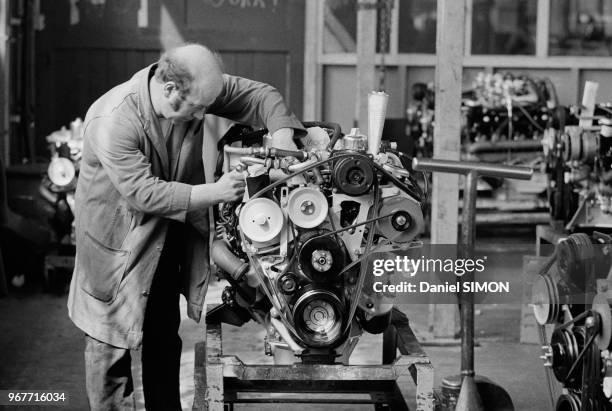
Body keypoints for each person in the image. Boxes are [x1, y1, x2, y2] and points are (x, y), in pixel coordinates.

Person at [67, 43, 305, 410]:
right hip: (114, 252)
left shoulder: (198, 88)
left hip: (164, 242)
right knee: (109, 354)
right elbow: (143, 193)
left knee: (163, 340)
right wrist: (216, 192)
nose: (202, 115)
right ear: (169, 90)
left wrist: (283, 134)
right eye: (197, 108)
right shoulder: (113, 119)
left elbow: (261, 96)